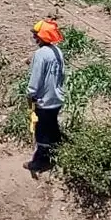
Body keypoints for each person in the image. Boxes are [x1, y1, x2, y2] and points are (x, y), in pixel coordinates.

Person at [24, 18, 66, 173]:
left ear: (42, 36)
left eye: (36, 35)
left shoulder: (41, 54)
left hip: (44, 100)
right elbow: (62, 74)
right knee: (53, 127)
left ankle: (40, 163)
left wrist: (30, 93)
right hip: (57, 98)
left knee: (41, 133)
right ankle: (57, 155)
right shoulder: (58, 52)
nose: (35, 38)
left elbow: (36, 78)